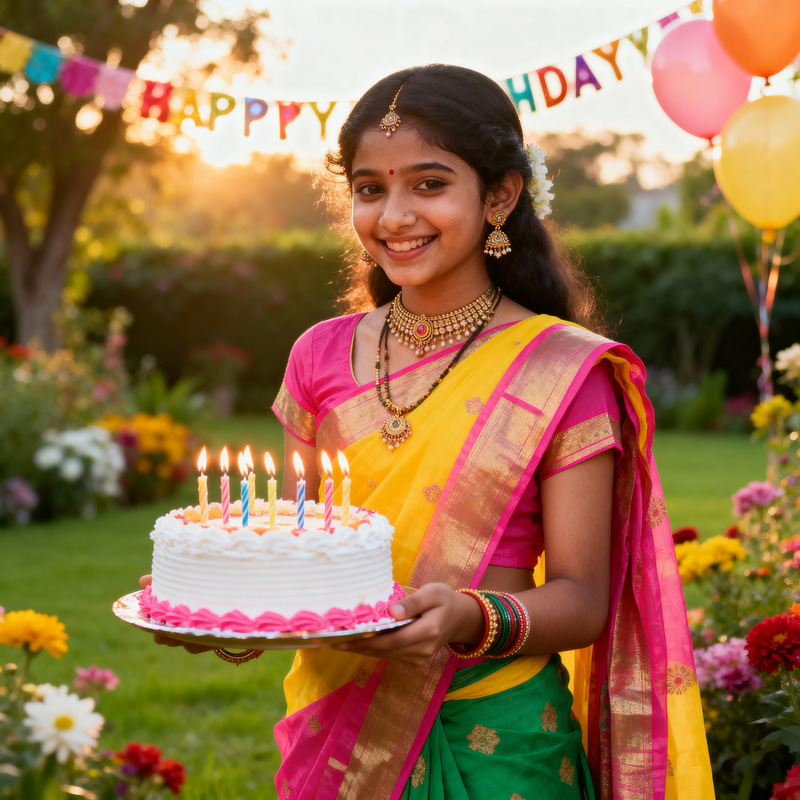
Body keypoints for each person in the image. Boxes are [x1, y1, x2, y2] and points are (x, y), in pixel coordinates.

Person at [173, 63, 714, 799]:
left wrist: (468, 615)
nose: (394, 216)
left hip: (502, 737)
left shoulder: (563, 369)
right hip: (340, 732)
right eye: (370, 188)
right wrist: (232, 620)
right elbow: (296, 560)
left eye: (429, 184)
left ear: (499, 195)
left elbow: (584, 599)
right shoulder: (319, 356)